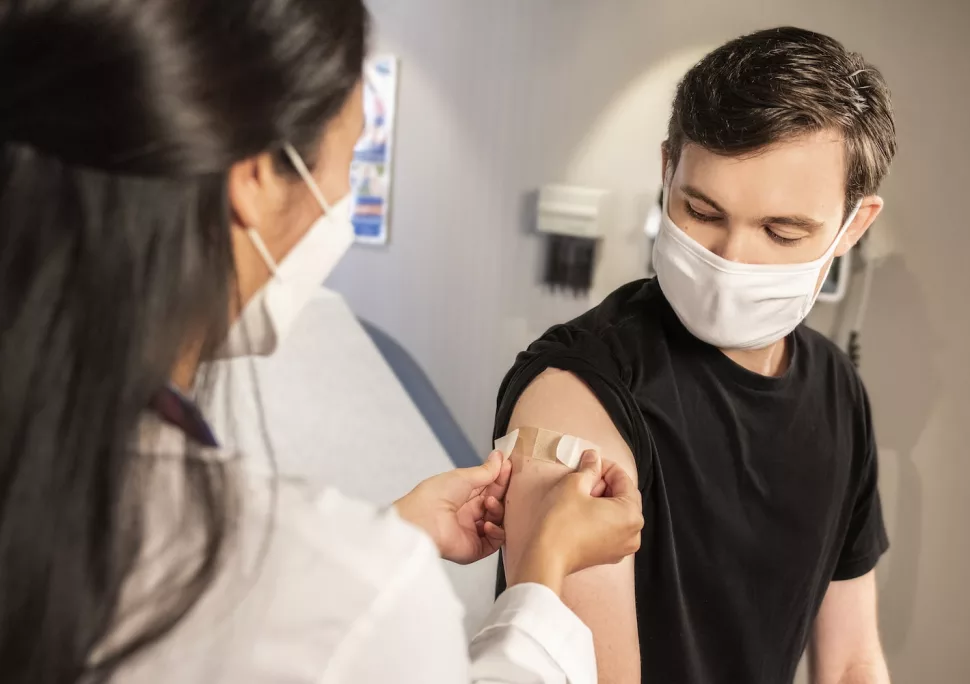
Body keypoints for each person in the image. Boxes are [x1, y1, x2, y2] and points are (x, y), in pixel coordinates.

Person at [0, 1, 644, 683]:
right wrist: (540, 576)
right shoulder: (352, 593)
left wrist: (392, 531)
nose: (345, 192)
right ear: (252, 177)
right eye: (357, 153)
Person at [495, 27, 897, 684]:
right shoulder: (577, 392)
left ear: (853, 225)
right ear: (667, 171)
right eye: (701, 210)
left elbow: (853, 659)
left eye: (781, 230)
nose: (729, 259)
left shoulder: (838, 393)